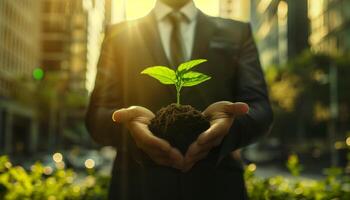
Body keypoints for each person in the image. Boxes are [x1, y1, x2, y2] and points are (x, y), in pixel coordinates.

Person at [86, 0, 273, 199]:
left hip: (217, 186)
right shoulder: (119, 35)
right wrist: (131, 129)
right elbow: (97, 114)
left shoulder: (237, 32)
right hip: (138, 187)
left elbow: (260, 108)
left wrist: (228, 128)